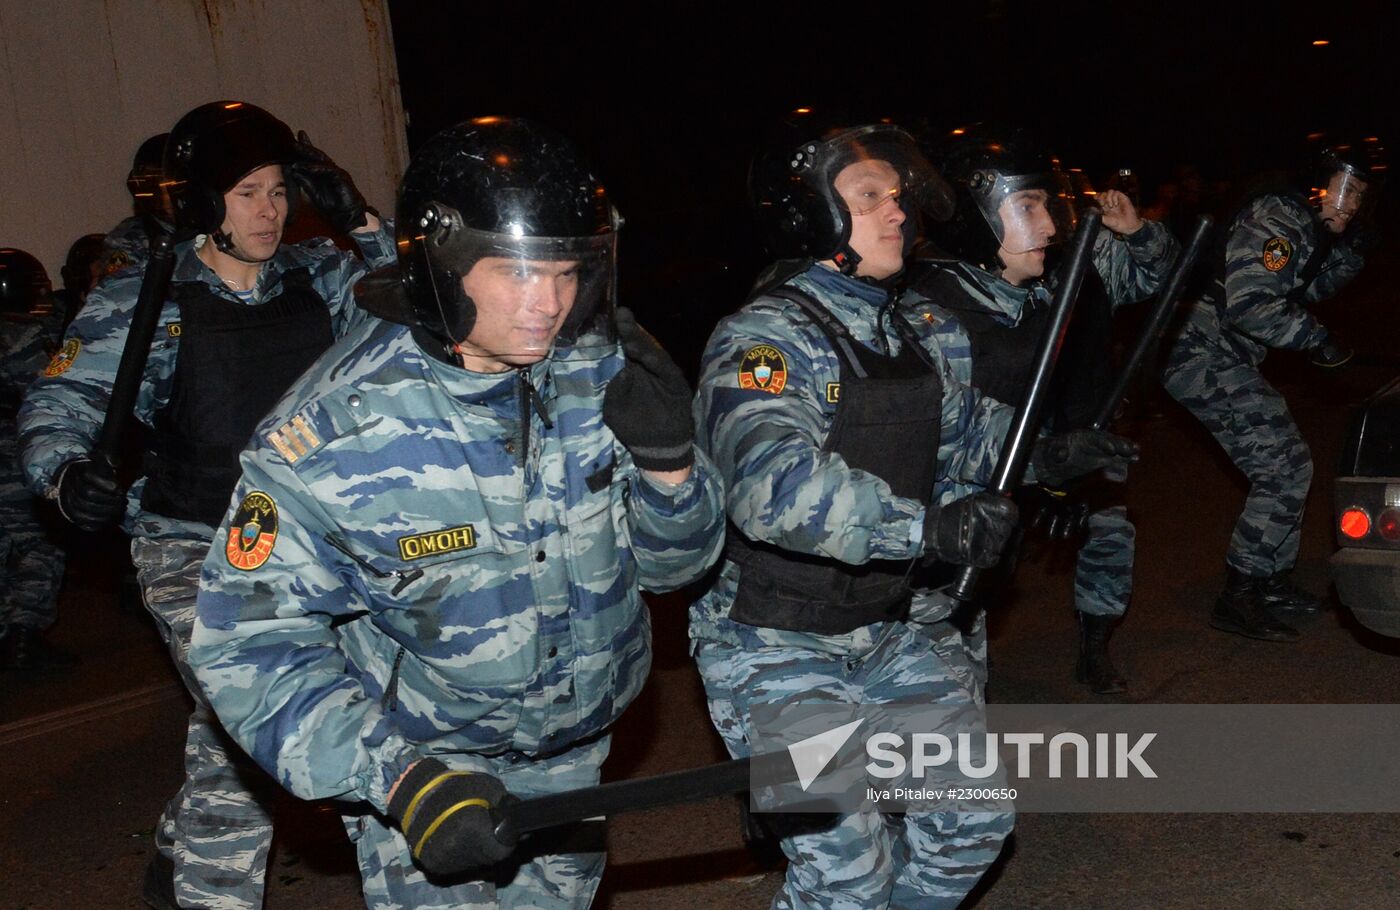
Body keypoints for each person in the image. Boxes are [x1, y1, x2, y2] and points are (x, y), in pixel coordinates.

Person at [189, 116, 725, 910]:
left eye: (567, 270)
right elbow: (245, 645)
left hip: (576, 762)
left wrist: (671, 468)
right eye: (514, 273)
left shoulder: (599, 374)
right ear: (442, 263)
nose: (548, 303)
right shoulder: (334, 434)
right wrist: (401, 781)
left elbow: (678, 568)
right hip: (429, 776)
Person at [689, 110, 1137, 909]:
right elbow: (771, 487)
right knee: (845, 872)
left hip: (887, 626)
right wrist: (925, 528)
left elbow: (969, 431)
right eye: (869, 196)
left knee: (973, 823)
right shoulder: (765, 339)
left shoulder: (916, 329)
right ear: (810, 214)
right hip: (773, 644)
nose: (898, 211)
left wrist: (1046, 455)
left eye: (897, 193)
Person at [19, 99, 394, 910]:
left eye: (279, 191)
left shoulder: (322, 279)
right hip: (192, 544)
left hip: (312, 543)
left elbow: (426, 312)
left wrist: (360, 218)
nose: (270, 210)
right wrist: (64, 472)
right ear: (201, 204)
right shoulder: (146, 298)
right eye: (247, 192)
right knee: (250, 722)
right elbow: (60, 404)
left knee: (301, 716)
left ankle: (176, 846)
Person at [905, 125, 1179, 694]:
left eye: (1049, 205)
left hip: (1059, 442)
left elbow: (1159, 279)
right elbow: (945, 449)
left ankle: (1094, 645)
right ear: (975, 214)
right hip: (966, 503)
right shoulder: (932, 314)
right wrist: (1046, 479)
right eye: (1028, 206)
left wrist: (1136, 233)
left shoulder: (1052, 278)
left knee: (1110, 532)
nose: (1051, 225)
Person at [1161, 135, 1385, 642]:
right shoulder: (1278, 218)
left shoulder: (1306, 228)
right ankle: (1239, 594)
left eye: (1358, 198)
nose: (1348, 206)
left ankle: (1269, 580)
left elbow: (1307, 289)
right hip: (1199, 351)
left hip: (1222, 353)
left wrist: (1349, 255)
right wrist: (1319, 340)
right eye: (1341, 191)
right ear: (1315, 186)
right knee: (1282, 463)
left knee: (1289, 462)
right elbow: (1252, 304)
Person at [0, 249, 71, 671]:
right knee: (39, 544)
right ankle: (23, 635)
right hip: (15, 461)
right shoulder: (25, 336)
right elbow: (51, 394)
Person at [101, 132, 174, 276]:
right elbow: (122, 292)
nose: (170, 194)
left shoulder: (211, 228)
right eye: (164, 185)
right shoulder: (128, 238)